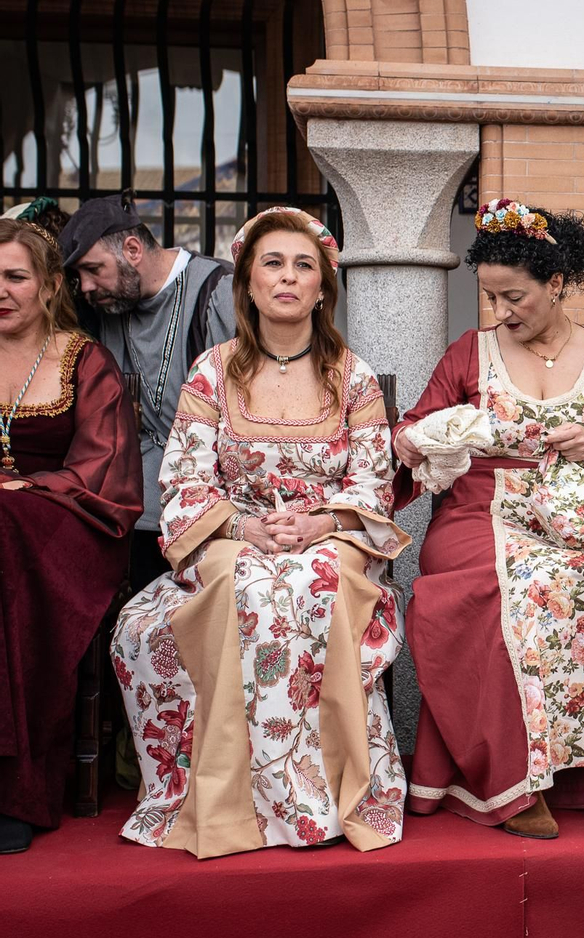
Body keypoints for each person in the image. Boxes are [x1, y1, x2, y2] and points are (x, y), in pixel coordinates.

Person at [111, 207, 407, 858]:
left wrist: (318, 524)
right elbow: (183, 482)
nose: (288, 277)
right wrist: (242, 526)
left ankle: (315, 803)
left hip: (330, 539)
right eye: (272, 263)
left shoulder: (350, 376)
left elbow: (373, 485)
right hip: (228, 537)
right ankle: (234, 801)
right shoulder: (211, 372)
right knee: (248, 589)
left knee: (314, 585)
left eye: (304, 265)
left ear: (323, 286)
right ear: (247, 281)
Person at [393, 199, 584, 840]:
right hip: (480, 511)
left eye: (513, 296)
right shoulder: (469, 353)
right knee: (523, 588)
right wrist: (416, 440)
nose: (500, 313)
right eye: (490, 298)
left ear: (558, 282)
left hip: (578, 514)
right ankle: (516, 781)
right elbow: (412, 427)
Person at [0, 217, 140, 853]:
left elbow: (104, 463)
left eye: (14, 277)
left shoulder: (84, 360)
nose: (0, 290)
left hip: (70, 524)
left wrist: (30, 490)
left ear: (49, 284)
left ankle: (13, 789)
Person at [61, 193, 235, 592]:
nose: (86, 287)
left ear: (133, 249)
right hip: (136, 513)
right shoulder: (107, 305)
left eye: (93, 270)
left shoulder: (218, 291)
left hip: (214, 503)